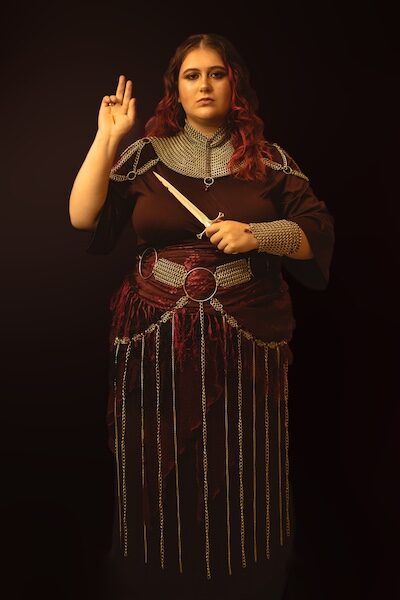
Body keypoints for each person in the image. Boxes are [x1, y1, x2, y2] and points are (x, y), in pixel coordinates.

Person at [69, 33, 334, 600]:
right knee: (155, 455)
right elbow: (83, 217)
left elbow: (317, 233)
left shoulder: (270, 160)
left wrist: (257, 234)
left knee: (241, 456)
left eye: (216, 73)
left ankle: (249, 576)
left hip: (246, 333)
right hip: (156, 334)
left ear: (234, 84)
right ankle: (152, 577)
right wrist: (107, 137)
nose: (205, 85)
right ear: (176, 88)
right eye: (192, 75)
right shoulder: (144, 156)